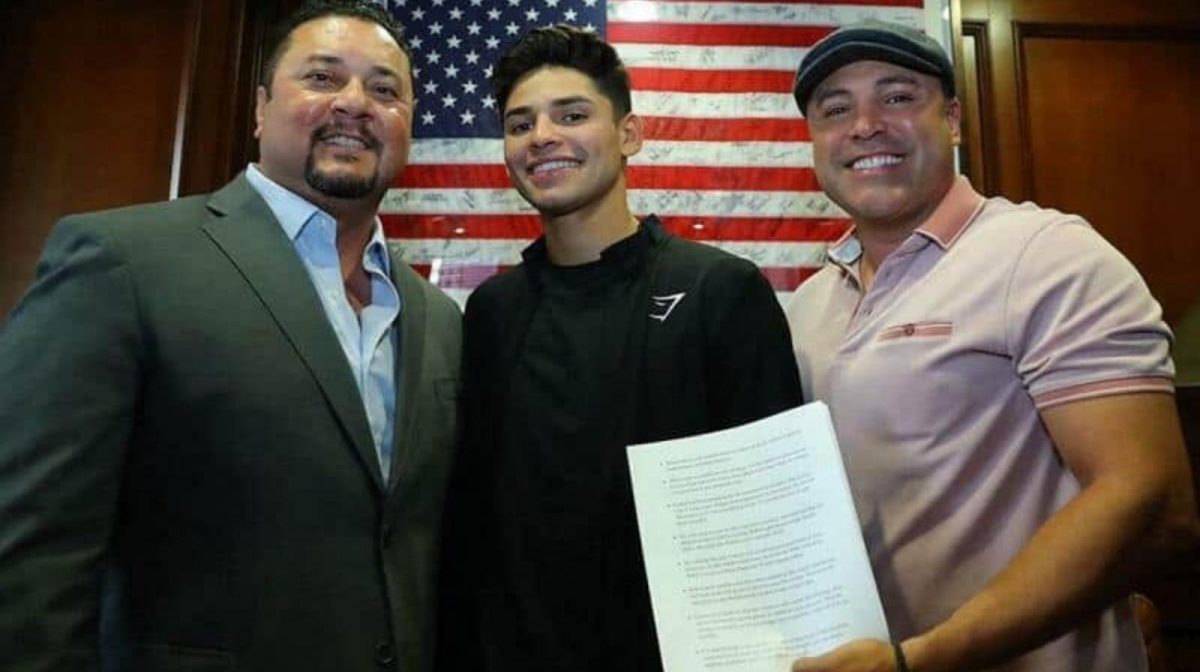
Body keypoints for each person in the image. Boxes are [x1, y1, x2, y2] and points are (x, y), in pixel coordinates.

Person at [0, 1, 461, 670]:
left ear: (408, 124)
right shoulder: (123, 262)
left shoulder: (439, 318)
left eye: (385, 89)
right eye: (324, 78)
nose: (356, 103)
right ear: (260, 108)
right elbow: (30, 552)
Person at [784, 20, 1200, 672]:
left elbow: (1153, 504)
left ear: (952, 120)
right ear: (814, 141)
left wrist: (918, 660)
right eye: (835, 109)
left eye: (896, 97)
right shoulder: (809, 303)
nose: (864, 124)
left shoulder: (1045, 255)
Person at [436, 25, 803, 672]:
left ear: (629, 134)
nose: (543, 136)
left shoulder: (720, 290)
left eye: (571, 115)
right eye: (520, 124)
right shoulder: (492, 313)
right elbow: (472, 527)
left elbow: (771, 526)